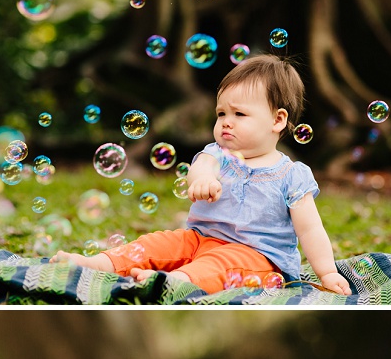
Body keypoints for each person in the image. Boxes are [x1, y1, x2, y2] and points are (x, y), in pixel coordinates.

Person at [54, 55, 353, 295]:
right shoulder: (218, 154)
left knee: (218, 266)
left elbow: (310, 230)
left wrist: (327, 272)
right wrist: (202, 179)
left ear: (277, 120)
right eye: (221, 113)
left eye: (239, 114)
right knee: (158, 243)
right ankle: (94, 264)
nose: (225, 122)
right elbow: (201, 166)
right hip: (198, 239)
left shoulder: (292, 175)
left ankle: (171, 282)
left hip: (256, 257)